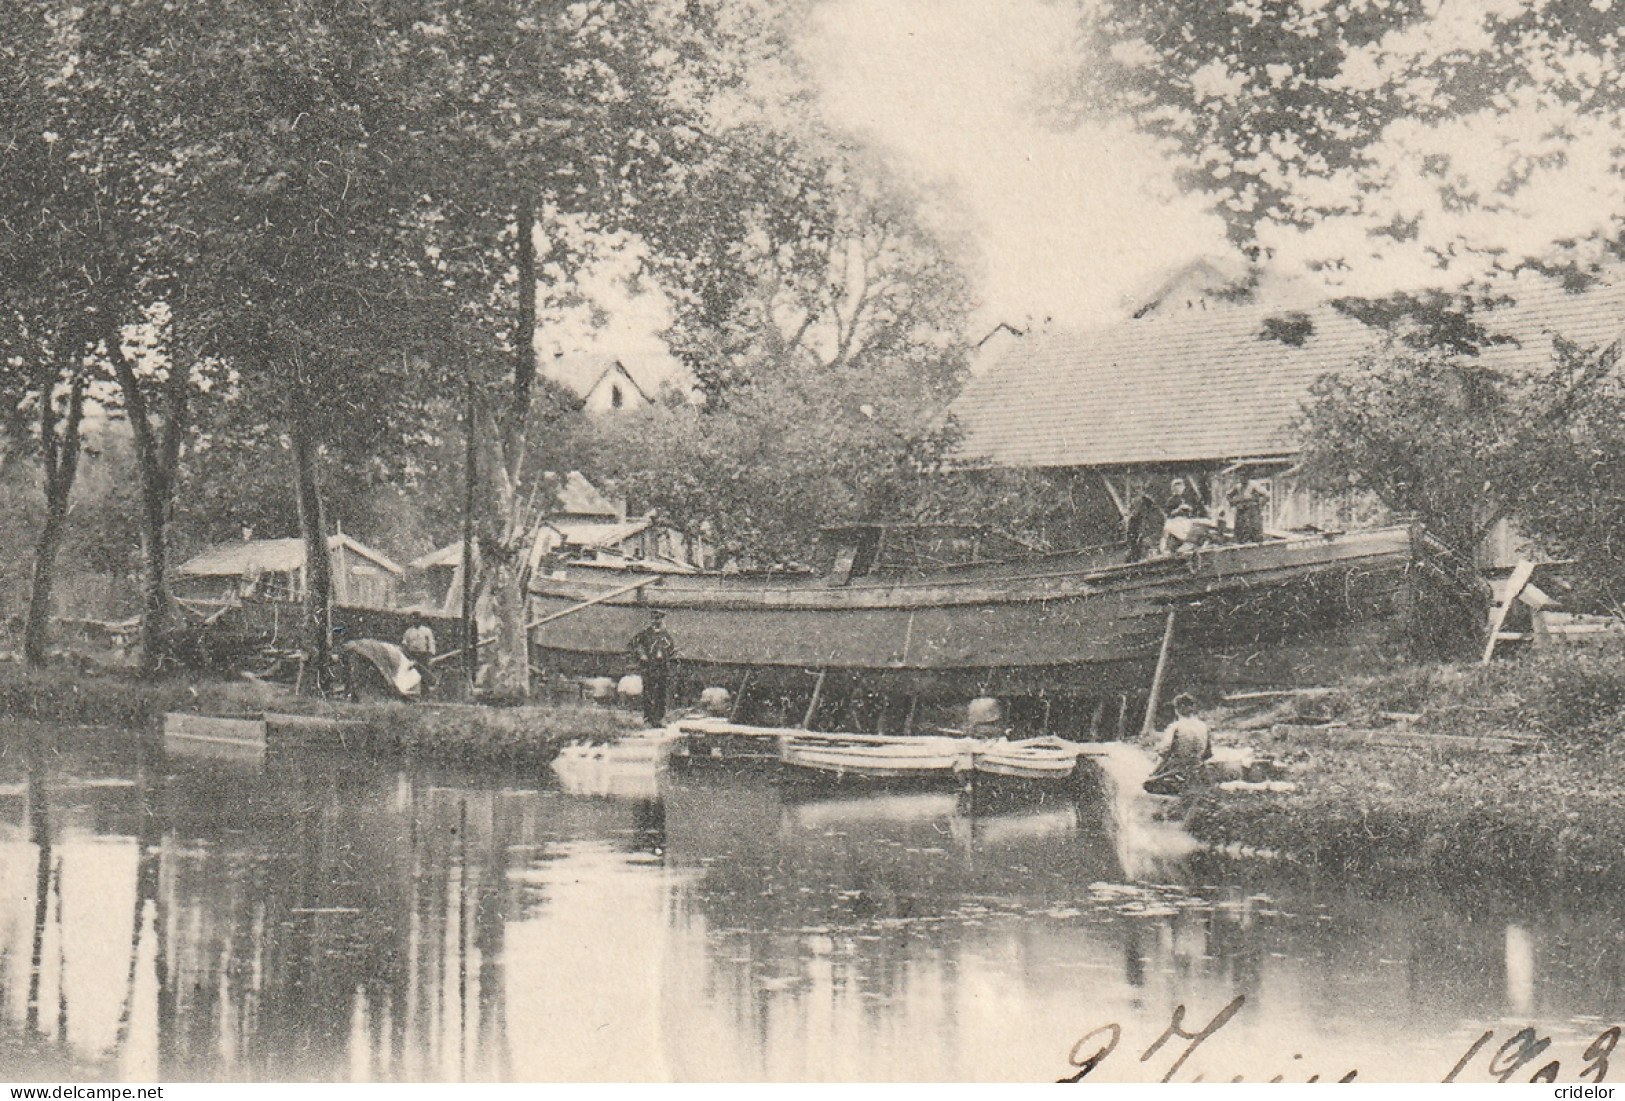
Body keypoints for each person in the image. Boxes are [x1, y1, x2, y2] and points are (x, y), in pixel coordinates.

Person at [1144, 693, 1212, 795]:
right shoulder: (1204, 726)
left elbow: (1165, 753)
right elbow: (1207, 754)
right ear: (1192, 708)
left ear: (1178, 709)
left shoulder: (1175, 727)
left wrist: (1153, 774)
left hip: (1178, 769)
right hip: (1196, 769)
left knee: (1147, 785)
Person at [628, 610, 677, 726]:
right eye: (654, 618)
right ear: (651, 620)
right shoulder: (645, 634)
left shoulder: (666, 636)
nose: (657, 621)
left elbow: (671, 649)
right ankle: (648, 719)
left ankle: (660, 718)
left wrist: (665, 654)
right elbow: (632, 645)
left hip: (662, 668)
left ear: (662, 620)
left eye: (659, 618)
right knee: (648, 692)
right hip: (648, 667)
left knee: (661, 693)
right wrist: (641, 654)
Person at [401, 615, 437, 693]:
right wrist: (405, 652)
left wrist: (430, 653)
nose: (415, 621)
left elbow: (431, 643)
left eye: (417, 619)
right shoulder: (408, 631)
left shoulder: (426, 631)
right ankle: (412, 691)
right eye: (413, 619)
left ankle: (425, 692)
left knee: (424, 673)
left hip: (423, 654)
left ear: (420, 620)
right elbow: (404, 643)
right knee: (413, 672)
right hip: (412, 654)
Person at [1124, 492, 1164, 562]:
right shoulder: (1133, 520)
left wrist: (1152, 540)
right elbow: (1130, 537)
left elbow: (1162, 530)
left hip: (1156, 544)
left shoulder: (1156, 515)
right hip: (1140, 548)